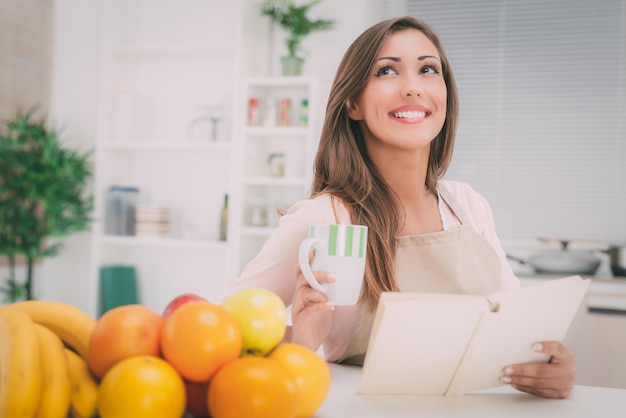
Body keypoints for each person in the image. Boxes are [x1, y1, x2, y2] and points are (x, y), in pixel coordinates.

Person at [222, 16, 575, 399]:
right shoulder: (327, 217)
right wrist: (299, 344)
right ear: (353, 102)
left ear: (445, 93)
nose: (412, 88)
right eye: (387, 70)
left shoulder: (468, 207)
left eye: (428, 69)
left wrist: (550, 367)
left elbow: (518, 331)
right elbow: (223, 335)